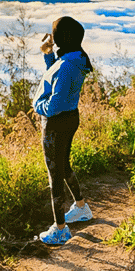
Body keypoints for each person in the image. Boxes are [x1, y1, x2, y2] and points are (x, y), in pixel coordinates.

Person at [34, 15, 94, 245]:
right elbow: (58, 78)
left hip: (56, 122)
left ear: (62, 37)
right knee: (64, 165)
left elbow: (54, 104)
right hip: (69, 118)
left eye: (55, 33)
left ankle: (60, 229)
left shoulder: (68, 65)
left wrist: (37, 106)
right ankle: (81, 208)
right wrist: (48, 54)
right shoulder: (73, 58)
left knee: (54, 175)